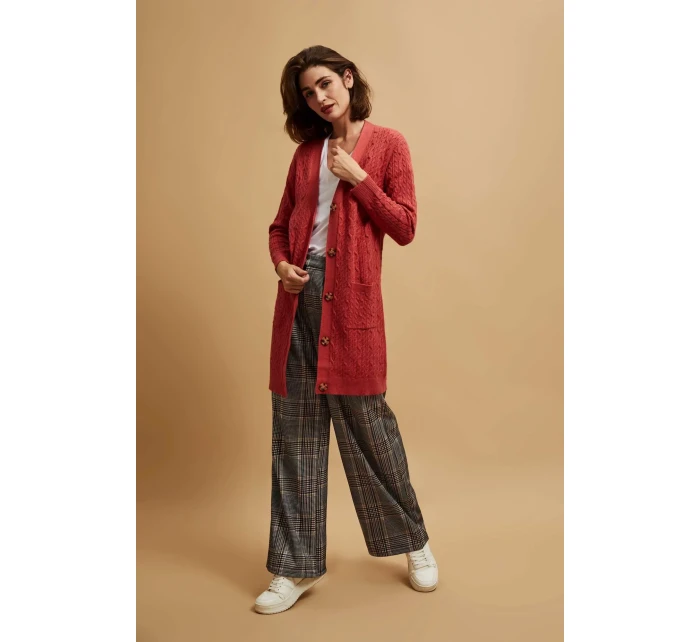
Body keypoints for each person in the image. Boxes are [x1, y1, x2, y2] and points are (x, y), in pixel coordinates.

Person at [254, 45, 437, 615]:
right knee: (296, 436)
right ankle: (295, 566)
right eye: (309, 93)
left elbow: (404, 226)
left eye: (326, 84)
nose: (319, 97)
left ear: (349, 79)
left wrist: (359, 179)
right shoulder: (305, 155)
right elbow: (280, 226)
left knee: (370, 430)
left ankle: (414, 541)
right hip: (299, 303)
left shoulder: (389, 145)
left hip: (352, 307)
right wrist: (282, 265)